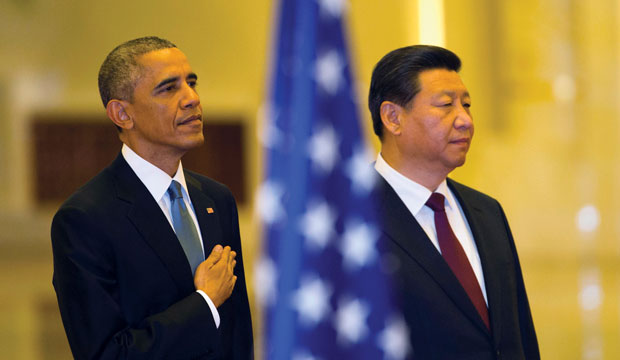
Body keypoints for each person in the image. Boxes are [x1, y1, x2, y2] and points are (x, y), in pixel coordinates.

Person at [51, 36, 253, 359]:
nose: (192, 99)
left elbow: (238, 335)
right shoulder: (83, 219)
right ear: (122, 114)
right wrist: (204, 303)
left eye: (192, 83)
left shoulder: (217, 199)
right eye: (169, 88)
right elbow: (105, 354)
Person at [368, 45, 539, 359]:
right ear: (393, 118)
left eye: (467, 105)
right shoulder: (356, 219)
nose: (465, 120)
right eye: (446, 105)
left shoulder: (487, 212)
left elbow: (520, 337)